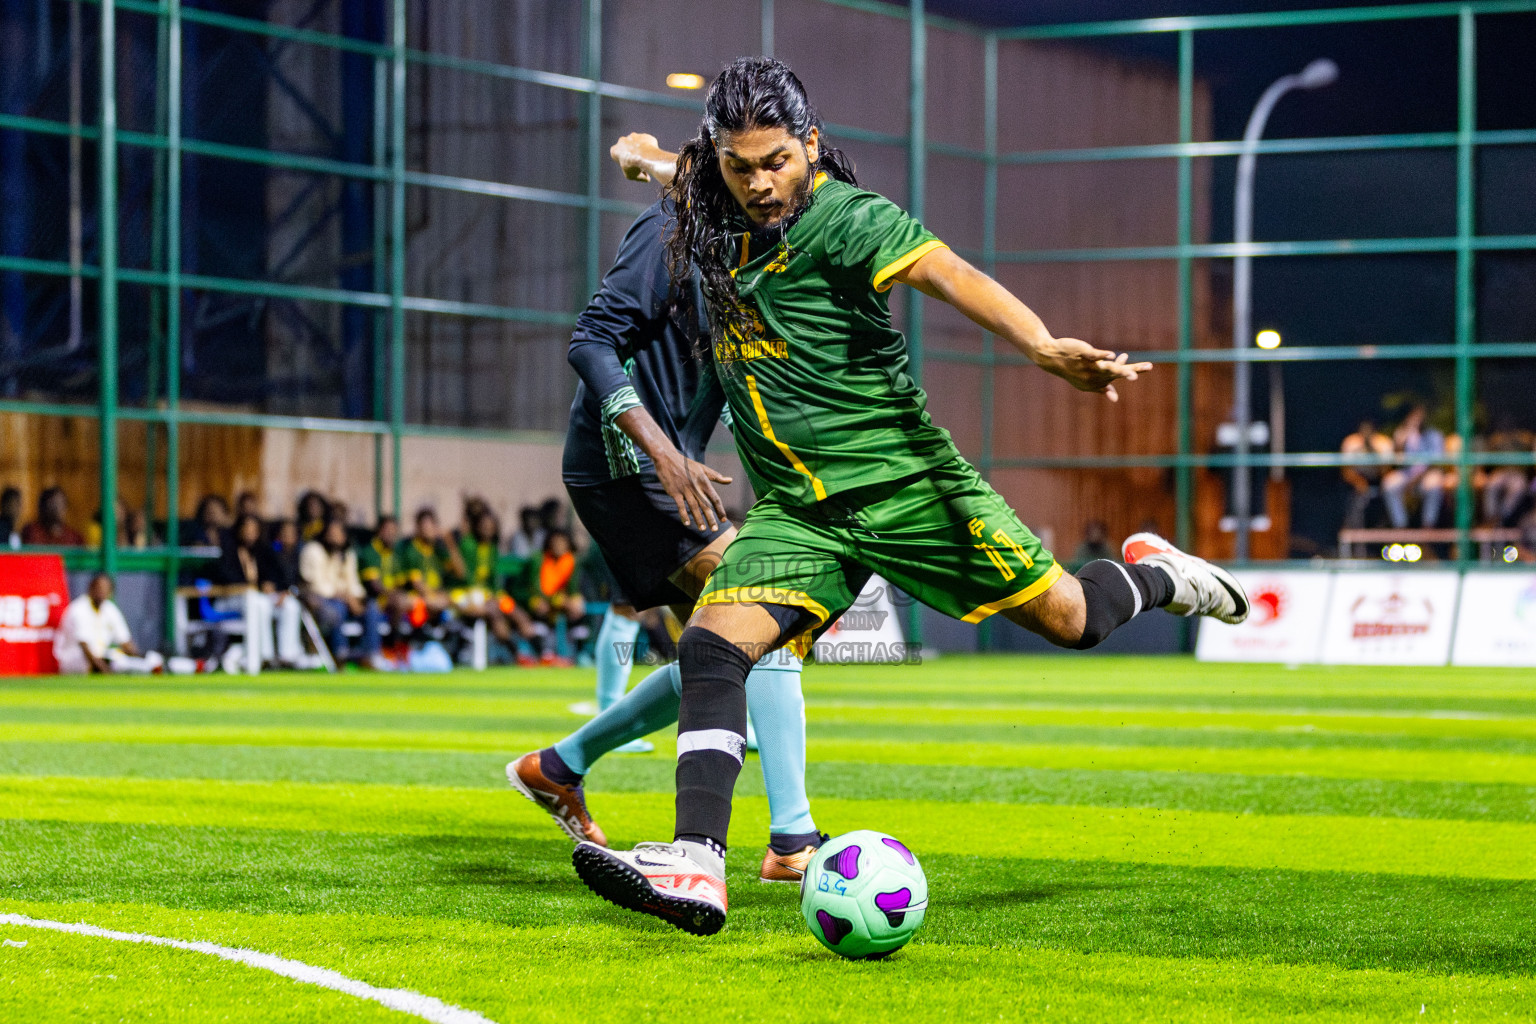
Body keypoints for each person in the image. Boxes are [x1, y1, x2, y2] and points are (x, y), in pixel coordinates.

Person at [569, 58, 1247, 936]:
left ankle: (1156, 574)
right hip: (797, 511)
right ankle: (697, 863)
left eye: (776, 161)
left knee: (1073, 618)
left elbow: (950, 274)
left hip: (904, 487)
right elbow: (683, 170)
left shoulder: (850, 220)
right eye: (740, 167)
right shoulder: (716, 192)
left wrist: (1043, 346)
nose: (760, 184)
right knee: (711, 644)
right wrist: (643, 157)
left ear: (809, 147)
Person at [213, 512, 303, 667]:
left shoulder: (263, 551)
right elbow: (224, 576)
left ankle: (288, 656)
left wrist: (274, 587)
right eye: (246, 528)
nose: (249, 533)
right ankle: (264, 656)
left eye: (253, 529)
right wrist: (250, 586)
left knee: (291, 605)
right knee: (259, 602)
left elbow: (275, 576)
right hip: (232, 598)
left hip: (260, 598)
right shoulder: (229, 550)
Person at [456, 508, 539, 663]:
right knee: (495, 614)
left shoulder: (493, 549)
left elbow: (494, 583)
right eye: (483, 525)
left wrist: (496, 596)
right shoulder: (469, 545)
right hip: (468, 595)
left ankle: (538, 652)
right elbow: (468, 578)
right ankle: (515, 651)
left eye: (490, 526)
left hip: (490, 596)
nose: (487, 529)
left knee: (513, 610)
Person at [299, 517, 383, 665]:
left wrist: (356, 598)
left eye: (338, 534)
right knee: (338, 608)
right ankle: (340, 654)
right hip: (320, 600)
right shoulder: (314, 550)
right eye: (331, 533)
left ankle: (370, 655)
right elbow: (317, 585)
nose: (334, 537)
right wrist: (345, 597)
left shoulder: (347, 554)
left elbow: (353, 582)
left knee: (371, 608)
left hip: (345, 599)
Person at [54, 573, 163, 675]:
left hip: (102, 659)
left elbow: (126, 643)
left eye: (105, 589)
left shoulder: (109, 609)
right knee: (118, 662)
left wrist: (142, 658)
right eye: (98, 588)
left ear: (110, 592)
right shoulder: (79, 609)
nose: (101, 592)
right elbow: (85, 648)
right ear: (90, 588)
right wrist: (107, 672)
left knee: (152, 658)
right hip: (75, 661)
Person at [516, 529, 588, 666]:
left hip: (560, 601)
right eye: (555, 542)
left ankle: (579, 655)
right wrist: (556, 600)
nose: (558, 545)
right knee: (540, 608)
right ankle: (544, 654)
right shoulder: (538, 559)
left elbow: (574, 589)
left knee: (577, 609)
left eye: (562, 542)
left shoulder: (571, 561)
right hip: (535, 600)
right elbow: (533, 589)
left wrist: (573, 599)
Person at [1382, 404, 1447, 529]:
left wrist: (1415, 479)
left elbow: (1435, 462)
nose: (1417, 419)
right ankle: (1401, 526)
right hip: (1407, 473)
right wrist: (1400, 444)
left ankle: (1428, 526)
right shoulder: (1402, 433)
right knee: (1389, 485)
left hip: (1427, 474)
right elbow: (1396, 462)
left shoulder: (1434, 435)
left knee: (1434, 485)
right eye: (1414, 415)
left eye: (1420, 416)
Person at [1340, 418, 1394, 530]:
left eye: (1369, 429)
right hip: (1357, 481)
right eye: (1364, 429)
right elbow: (1345, 471)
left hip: (1378, 480)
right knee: (1354, 499)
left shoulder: (1383, 442)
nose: (1366, 431)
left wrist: (1372, 448)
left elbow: (1387, 471)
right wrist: (1358, 481)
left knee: (1390, 489)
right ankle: (1353, 528)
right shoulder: (1351, 442)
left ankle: (1387, 528)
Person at [21, 487, 85, 546]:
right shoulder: (32, 532)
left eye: (61, 504)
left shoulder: (73, 537)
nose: (57, 509)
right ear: (43, 507)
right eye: (53, 504)